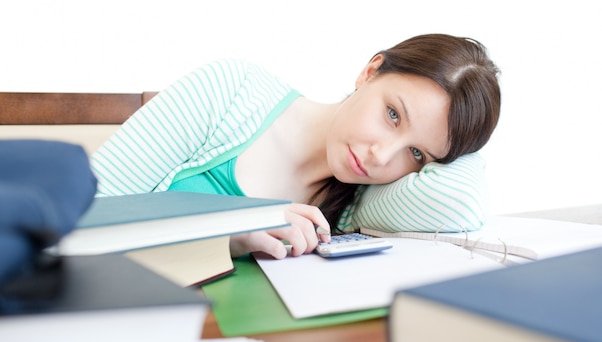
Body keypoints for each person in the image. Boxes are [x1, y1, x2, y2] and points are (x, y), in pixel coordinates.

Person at [91, 33, 501, 260]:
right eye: (393, 114)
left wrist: (459, 140)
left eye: (416, 155)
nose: (381, 156)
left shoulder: (359, 203)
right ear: (371, 71)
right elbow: (79, 213)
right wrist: (225, 232)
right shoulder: (234, 91)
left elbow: (464, 204)